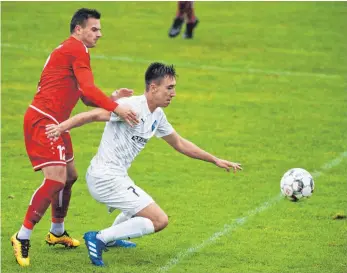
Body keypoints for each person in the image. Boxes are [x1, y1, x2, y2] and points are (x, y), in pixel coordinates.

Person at [45, 62, 242, 266]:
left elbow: (180, 143)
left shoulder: (157, 115)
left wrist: (215, 159)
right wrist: (61, 128)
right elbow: (93, 114)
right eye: (169, 88)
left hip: (117, 176)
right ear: (153, 88)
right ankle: (100, 237)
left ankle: (113, 238)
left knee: (140, 205)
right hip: (104, 178)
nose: (173, 94)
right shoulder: (132, 107)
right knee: (159, 220)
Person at [11, 8, 139, 267]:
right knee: (56, 178)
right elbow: (89, 89)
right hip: (43, 121)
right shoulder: (76, 49)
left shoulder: (76, 51)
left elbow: (84, 95)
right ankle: (21, 235)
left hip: (58, 122)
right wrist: (117, 108)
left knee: (69, 176)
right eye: (94, 29)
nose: (99, 34)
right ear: (78, 29)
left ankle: (57, 232)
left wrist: (111, 98)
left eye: (100, 29)